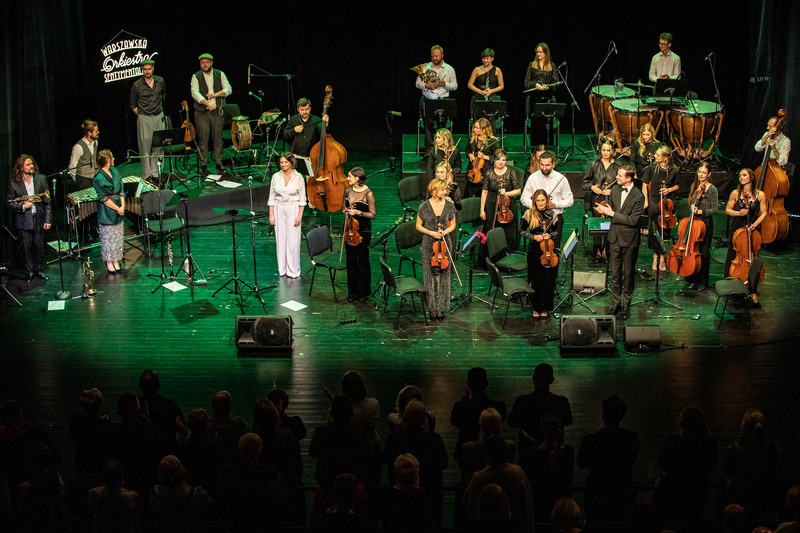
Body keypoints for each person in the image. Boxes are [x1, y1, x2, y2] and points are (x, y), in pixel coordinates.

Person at [577, 395, 640, 526]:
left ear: (603, 415)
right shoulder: (631, 439)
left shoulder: (591, 440)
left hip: (596, 496)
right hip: (622, 494)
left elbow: (581, 463)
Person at [594, 165, 645, 319]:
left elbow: (633, 220)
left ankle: (626, 306)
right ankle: (616, 305)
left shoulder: (639, 196)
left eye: (620, 176)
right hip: (614, 237)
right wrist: (605, 211)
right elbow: (612, 211)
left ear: (629, 178)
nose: (617, 177)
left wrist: (612, 213)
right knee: (615, 274)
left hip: (629, 240)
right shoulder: (615, 190)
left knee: (628, 274)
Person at [652, 406, 718, 523]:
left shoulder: (674, 440)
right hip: (698, 489)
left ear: (683, 423)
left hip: (674, 489)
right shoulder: (708, 441)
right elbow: (712, 463)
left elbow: (661, 461)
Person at [723, 409, 782, 526]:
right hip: (764, 496)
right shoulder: (771, 447)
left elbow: (727, 471)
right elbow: (777, 471)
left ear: (743, 425)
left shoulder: (734, 448)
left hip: (739, 496)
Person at [465, 436, 534, 533]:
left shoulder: (479, 478)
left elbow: (470, 510)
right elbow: (526, 508)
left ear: (486, 455)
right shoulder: (517, 473)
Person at [507, 363, 573, 456]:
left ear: (534, 379)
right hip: (555, 449)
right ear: (551, 380)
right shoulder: (561, 401)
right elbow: (568, 421)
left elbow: (512, 422)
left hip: (527, 450)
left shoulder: (522, 401)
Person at [450, 367, 507, 474]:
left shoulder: (460, 407)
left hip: (465, 454)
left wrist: (465, 396)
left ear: (468, 384)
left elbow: (455, 421)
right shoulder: (499, 407)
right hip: (494, 451)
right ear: (486, 384)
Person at [724, 168, 767, 305]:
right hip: (738, 230)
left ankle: (752, 289)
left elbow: (764, 212)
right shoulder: (736, 193)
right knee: (734, 258)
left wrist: (755, 224)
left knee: (752, 259)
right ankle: (732, 287)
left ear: (751, 177)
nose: (741, 177)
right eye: (740, 175)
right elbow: (727, 210)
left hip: (752, 230)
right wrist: (738, 213)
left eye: (744, 175)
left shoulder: (760, 194)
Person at [6, 154, 51, 282]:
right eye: (28, 165)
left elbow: (47, 202)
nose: (31, 166)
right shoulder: (14, 183)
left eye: (32, 164)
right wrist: (23, 206)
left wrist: (48, 220)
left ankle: (39, 270)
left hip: (39, 217)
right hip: (24, 219)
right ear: (21, 168)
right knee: (26, 248)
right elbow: (9, 202)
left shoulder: (41, 178)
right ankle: (29, 271)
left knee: (39, 246)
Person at [417, 178, 457, 321]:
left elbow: (453, 224)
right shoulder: (424, 206)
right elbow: (418, 226)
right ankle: (431, 307)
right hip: (429, 243)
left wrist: (445, 232)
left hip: (445, 243)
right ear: (434, 191)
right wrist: (431, 233)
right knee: (429, 276)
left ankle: (442, 307)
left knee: (444, 276)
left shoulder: (449, 206)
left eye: (445, 189)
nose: (445, 192)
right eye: (442, 189)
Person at [522, 415, 574, 523]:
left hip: (539, 506)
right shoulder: (567, 452)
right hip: (562, 507)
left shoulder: (532, 455)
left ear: (541, 430)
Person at [521, 150, 573, 255]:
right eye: (542, 165)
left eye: (547, 165)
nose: (544, 168)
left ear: (553, 164)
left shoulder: (561, 179)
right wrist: (537, 204)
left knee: (554, 248)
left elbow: (570, 200)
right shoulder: (533, 178)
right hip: (536, 218)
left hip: (555, 218)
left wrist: (555, 205)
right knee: (536, 250)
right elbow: (523, 198)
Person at [190, 53, 232, 175]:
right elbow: (195, 93)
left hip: (217, 112)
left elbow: (228, 89)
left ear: (211, 62)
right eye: (203, 62)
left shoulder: (220, 74)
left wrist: (215, 95)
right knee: (203, 139)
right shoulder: (196, 76)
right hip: (202, 112)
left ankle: (219, 163)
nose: (205, 64)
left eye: (207, 62)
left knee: (218, 138)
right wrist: (207, 104)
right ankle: (203, 165)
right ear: (200, 64)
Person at [521, 189, 560, 318]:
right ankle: (536, 307)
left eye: (543, 200)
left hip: (549, 250)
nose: (540, 203)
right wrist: (534, 237)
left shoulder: (553, 214)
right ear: (534, 202)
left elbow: (556, 232)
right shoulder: (528, 214)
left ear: (547, 200)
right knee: (536, 280)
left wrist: (549, 235)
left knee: (548, 280)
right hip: (535, 251)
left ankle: (546, 307)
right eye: (538, 201)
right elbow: (521, 231)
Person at [268, 152, 306, 279]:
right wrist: (271, 215)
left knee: (293, 240)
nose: (283, 165)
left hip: (293, 208)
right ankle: (282, 269)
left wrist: (299, 215)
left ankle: (293, 269)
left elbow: (302, 199)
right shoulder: (275, 177)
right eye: (281, 162)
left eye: (286, 162)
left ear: (291, 162)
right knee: (281, 239)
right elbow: (271, 197)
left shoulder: (298, 177)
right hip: (279, 208)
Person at [642, 145, 679, 271]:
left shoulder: (674, 170)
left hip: (667, 202)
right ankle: (655, 256)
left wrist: (669, 189)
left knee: (666, 229)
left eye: (658, 155)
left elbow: (678, 185)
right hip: (653, 200)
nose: (655, 156)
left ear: (665, 158)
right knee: (653, 230)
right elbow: (645, 184)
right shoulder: (652, 168)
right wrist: (646, 201)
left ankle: (663, 257)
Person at [480, 148, 522, 262]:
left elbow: (518, 190)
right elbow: (484, 191)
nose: (501, 162)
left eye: (503, 160)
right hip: (492, 205)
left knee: (508, 231)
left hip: (507, 206)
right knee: (491, 228)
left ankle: (508, 257)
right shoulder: (489, 173)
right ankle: (493, 256)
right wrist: (482, 209)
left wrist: (507, 193)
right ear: (494, 160)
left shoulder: (511, 173)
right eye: (498, 160)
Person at [415, 45, 458, 154]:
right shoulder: (425, 67)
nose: (434, 58)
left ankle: (442, 149)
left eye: (436, 56)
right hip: (428, 98)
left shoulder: (449, 69)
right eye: (432, 56)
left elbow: (455, 86)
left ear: (442, 55)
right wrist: (426, 85)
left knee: (442, 124)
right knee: (428, 125)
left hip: (442, 99)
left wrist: (445, 84)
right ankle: (429, 150)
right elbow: (417, 84)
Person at [342, 166, 376, 303]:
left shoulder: (368, 194)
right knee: (351, 262)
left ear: (357, 178)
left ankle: (363, 292)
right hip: (349, 229)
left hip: (363, 230)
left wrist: (359, 212)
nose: (347, 178)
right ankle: (352, 292)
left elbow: (373, 215)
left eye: (349, 176)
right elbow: (342, 208)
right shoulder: (347, 191)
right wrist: (346, 210)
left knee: (362, 262)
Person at [683, 162, 719, 290]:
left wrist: (701, 212)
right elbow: (692, 201)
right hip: (694, 221)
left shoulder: (712, 189)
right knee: (692, 249)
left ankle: (703, 281)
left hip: (705, 223)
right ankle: (692, 277)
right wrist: (692, 206)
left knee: (703, 252)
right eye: (699, 172)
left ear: (709, 174)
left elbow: (714, 209)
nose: (701, 175)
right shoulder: (695, 185)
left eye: (704, 173)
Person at [129, 58, 166, 182]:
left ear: (153, 68)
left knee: (158, 146)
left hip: (158, 116)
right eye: (145, 69)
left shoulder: (160, 81)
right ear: (142, 70)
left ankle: (157, 173)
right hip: (144, 117)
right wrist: (142, 115)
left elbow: (163, 96)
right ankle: (147, 175)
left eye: (149, 69)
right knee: (145, 146)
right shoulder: (137, 85)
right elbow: (133, 104)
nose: (147, 71)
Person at [583, 140, 619, 262]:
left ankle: (606, 249)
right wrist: (592, 187)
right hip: (597, 199)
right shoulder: (594, 164)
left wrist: (612, 191)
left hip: (612, 200)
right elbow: (585, 182)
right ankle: (597, 250)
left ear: (612, 151)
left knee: (610, 226)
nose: (606, 153)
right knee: (598, 225)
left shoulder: (617, 166)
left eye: (608, 150)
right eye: (604, 150)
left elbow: (621, 184)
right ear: (600, 150)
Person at [92, 150, 125, 275]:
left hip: (118, 206)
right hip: (108, 210)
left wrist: (122, 205)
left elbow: (121, 189)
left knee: (117, 237)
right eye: (112, 157)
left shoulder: (115, 171)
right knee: (108, 237)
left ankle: (116, 260)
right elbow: (104, 199)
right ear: (107, 160)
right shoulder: (98, 178)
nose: (114, 159)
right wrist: (117, 208)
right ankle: (109, 261)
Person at [524, 42, 561, 146]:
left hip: (547, 96)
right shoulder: (532, 65)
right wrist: (535, 85)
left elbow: (556, 84)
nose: (538, 54)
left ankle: (547, 146)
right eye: (537, 52)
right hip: (535, 97)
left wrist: (548, 86)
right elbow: (526, 82)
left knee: (547, 122)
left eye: (540, 52)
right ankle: (536, 146)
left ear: (546, 53)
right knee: (536, 122)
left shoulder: (552, 66)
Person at [282, 96, 330, 173]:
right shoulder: (294, 119)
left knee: (310, 181)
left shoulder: (316, 120)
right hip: (295, 156)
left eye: (307, 109)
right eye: (302, 110)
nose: (305, 112)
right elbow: (285, 135)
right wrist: (294, 130)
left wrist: (326, 123)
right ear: (298, 109)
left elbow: (323, 133)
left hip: (310, 157)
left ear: (310, 108)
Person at [467, 48, 505, 128]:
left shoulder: (497, 70)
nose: (485, 60)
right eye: (483, 58)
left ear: (492, 58)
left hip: (492, 98)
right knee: (479, 122)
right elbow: (469, 84)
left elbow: (501, 86)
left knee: (491, 122)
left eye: (487, 58)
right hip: (479, 97)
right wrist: (480, 91)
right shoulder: (477, 69)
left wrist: (492, 91)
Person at [465, 118, 499, 198]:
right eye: (474, 127)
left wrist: (484, 157)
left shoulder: (492, 141)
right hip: (472, 169)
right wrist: (469, 155)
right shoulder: (472, 138)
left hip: (485, 171)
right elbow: (467, 150)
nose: (474, 129)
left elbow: (497, 157)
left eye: (477, 128)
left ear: (484, 129)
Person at [68, 119, 99, 190]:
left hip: (94, 178)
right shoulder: (78, 147)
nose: (98, 132)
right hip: (83, 180)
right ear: (89, 133)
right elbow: (72, 167)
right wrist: (78, 180)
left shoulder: (95, 142)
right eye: (96, 131)